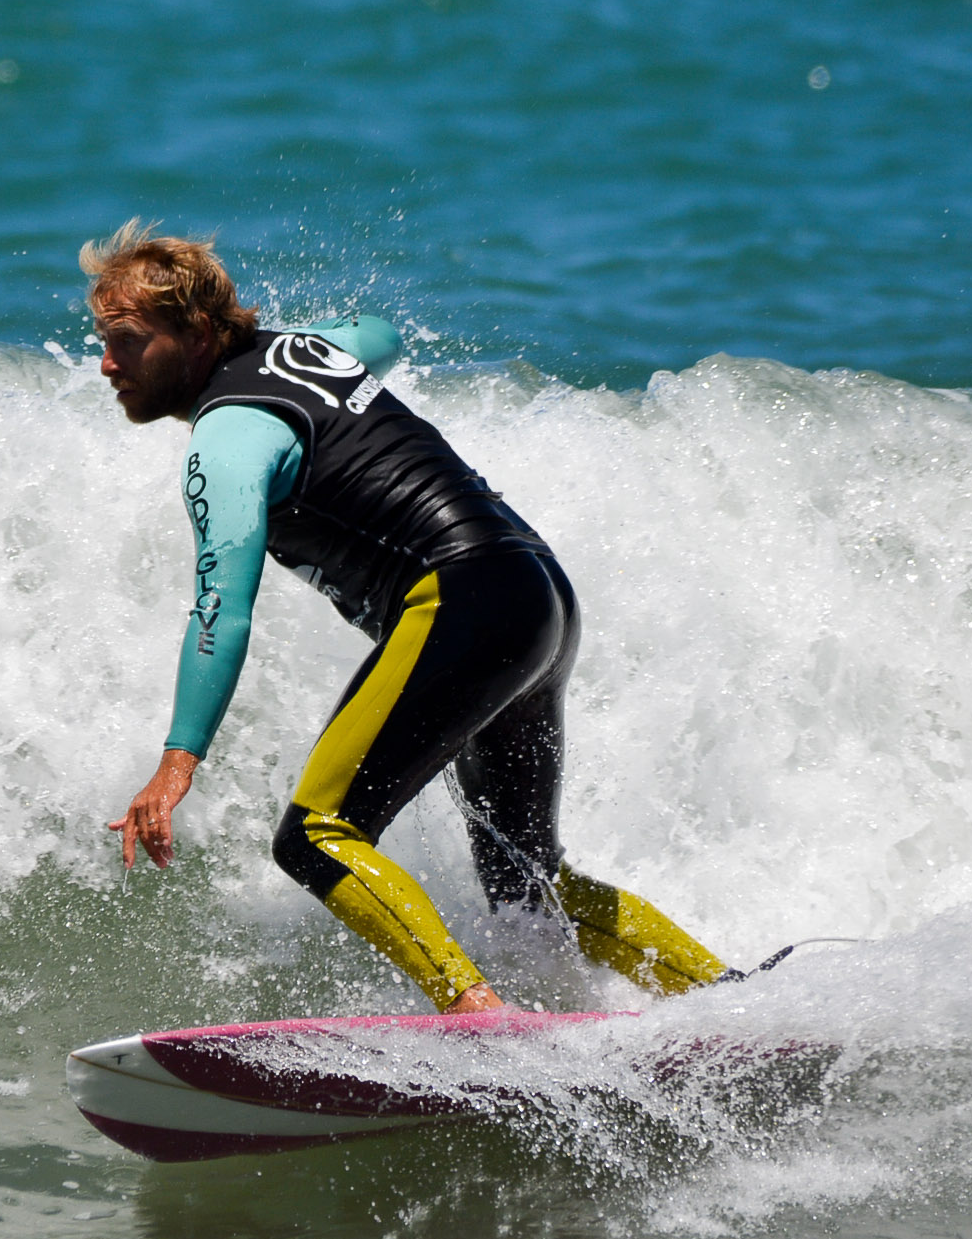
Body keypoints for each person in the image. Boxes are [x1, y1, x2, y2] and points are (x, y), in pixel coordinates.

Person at [90, 220, 739, 1013]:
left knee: (315, 836)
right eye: (101, 339)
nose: (107, 363)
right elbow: (378, 333)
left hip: (461, 598)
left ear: (194, 334)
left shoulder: (227, 434)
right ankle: (727, 1001)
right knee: (526, 880)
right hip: (536, 593)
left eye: (126, 339)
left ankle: (475, 1015)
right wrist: (312, 350)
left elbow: (221, 608)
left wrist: (176, 761)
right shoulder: (304, 355)